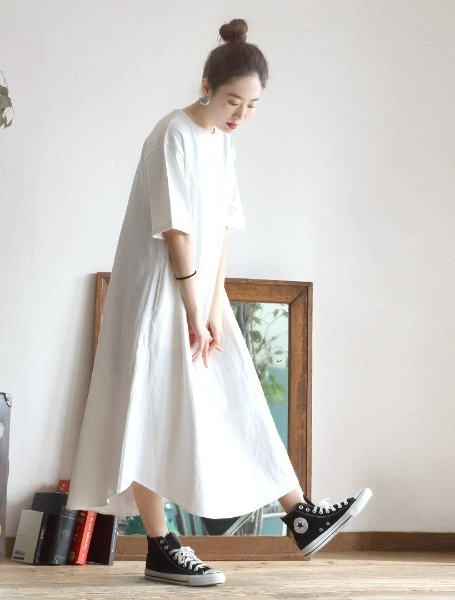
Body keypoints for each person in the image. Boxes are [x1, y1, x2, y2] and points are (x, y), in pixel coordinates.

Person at [66, 18, 373, 587]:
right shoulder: (172, 135)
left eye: (252, 106)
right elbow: (175, 230)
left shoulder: (222, 144)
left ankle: (299, 513)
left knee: (239, 392)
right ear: (206, 84)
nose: (240, 115)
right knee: (148, 410)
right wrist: (191, 306)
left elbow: (224, 229)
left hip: (199, 290)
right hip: (157, 292)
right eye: (234, 101)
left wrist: (211, 305)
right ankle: (160, 544)